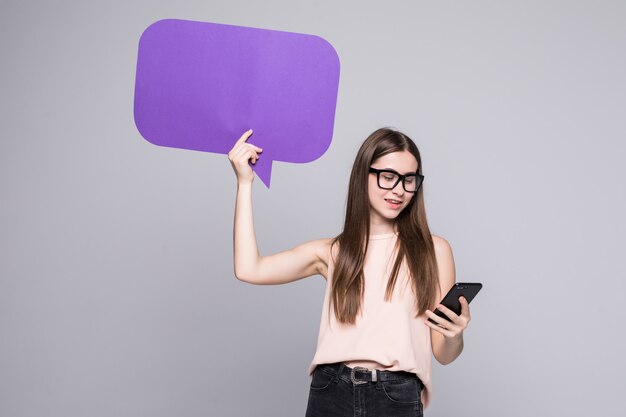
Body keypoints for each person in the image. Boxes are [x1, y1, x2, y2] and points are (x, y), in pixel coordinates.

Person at [228, 127, 471, 417]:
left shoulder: (434, 250)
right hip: (332, 390)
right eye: (388, 176)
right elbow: (249, 269)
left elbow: (443, 354)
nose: (399, 190)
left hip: (398, 396)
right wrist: (245, 184)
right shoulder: (332, 251)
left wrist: (455, 336)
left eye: (409, 180)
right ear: (362, 175)